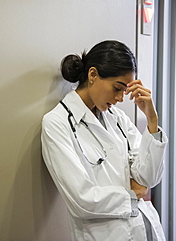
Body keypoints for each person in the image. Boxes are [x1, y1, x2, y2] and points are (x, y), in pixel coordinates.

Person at [41, 40, 168, 241]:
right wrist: (132, 195)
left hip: (143, 229)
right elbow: (82, 199)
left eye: (124, 91)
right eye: (117, 88)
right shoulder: (57, 124)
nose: (120, 98)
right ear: (93, 75)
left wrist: (152, 121)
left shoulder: (117, 118)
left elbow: (148, 178)